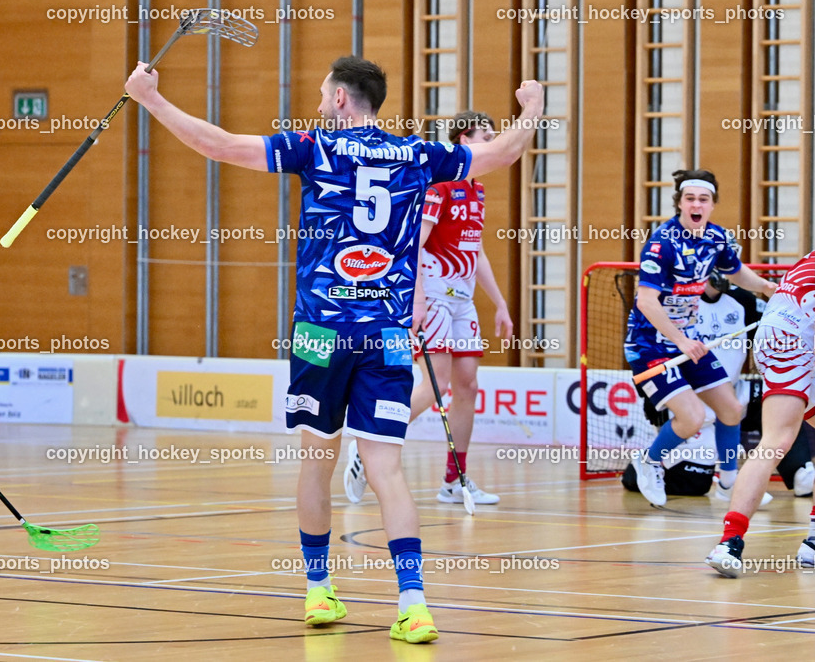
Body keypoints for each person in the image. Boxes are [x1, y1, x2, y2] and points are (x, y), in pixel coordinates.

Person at [126, 56, 544, 642]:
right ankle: (414, 605)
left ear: (342, 98)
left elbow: (217, 145)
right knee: (387, 469)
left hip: (321, 332)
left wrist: (150, 99)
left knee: (317, 461)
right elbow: (502, 154)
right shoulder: (419, 154)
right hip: (387, 335)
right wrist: (532, 109)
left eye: (324, 93)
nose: (320, 102)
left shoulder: (313, 147)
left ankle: (319, 590)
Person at [343, 111, 509, 508]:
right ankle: (369, 443)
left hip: (463, 299)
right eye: (487, 136)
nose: (493, 142)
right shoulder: (441, 186)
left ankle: (454, 480)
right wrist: (416, 298)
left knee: (468, 385)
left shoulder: (478, 191)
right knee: (437, 382)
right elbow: (414, 244)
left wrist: (500, 302)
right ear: (464, 139)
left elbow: (476, 250)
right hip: (433, 294)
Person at [625, 169, 776, 507]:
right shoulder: (662, 243)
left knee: (732, 410)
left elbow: (736, 271)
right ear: (679, 203)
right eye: (690, 199)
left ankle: (728, 482)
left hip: (687, 340)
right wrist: (680, 339)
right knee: (691, 417)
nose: (696, 205)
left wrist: (765, 287)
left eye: (703, 199)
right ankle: (648, 462)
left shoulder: (717, 238)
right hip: (650, 346)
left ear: (712, 205)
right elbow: (646, 302)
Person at [622, 273, 814, 499]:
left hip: (730, 391)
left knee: (785, 400)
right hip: (691, 398)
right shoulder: (680, 302)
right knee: (694, 484)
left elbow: (777, 330)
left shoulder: (744, 300)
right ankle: (645, 464)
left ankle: (797, 472)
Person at [707, 251, 815, 577]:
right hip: (791, 339)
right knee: (775, 442)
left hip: (780, 335)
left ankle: (812, 543)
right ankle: (729, 542)